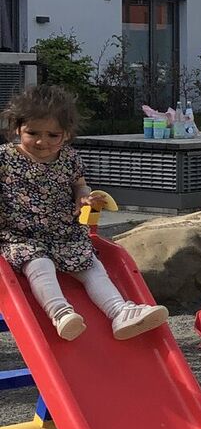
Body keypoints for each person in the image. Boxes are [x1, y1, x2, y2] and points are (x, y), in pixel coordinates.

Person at [0, 85, 167, 341]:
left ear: (65, 135)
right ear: (17, 129)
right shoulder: (5, 158)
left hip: (64, 233)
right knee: (39, 264)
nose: (41, 141)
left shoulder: (68, 158)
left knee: (91, 266)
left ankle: (120, 312)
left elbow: (79, 184)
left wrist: (83, 197)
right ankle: (60, 313)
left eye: (52, 135)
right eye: (32, 132)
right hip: (22, 236)